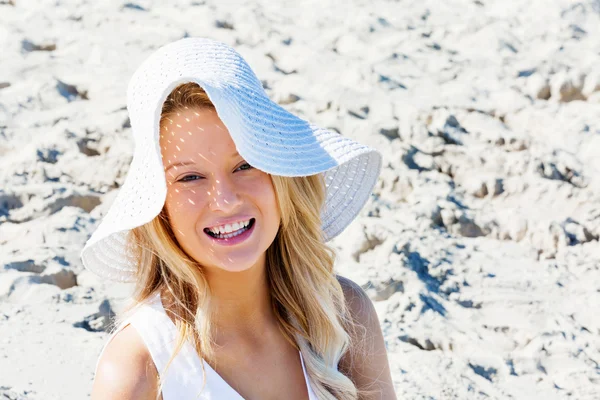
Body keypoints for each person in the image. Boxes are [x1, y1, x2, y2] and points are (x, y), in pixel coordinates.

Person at [81, 37, 396, 400]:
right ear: (160, 208)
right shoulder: (139, 368)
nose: (226, 200)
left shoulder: (342, 315)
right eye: (190, 177)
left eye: (244, 165)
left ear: (281, 176)